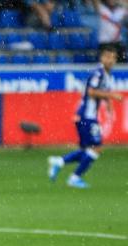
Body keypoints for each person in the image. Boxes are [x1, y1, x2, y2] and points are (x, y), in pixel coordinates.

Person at [48, 46, 122, 188]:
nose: (110, 60)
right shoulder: (98, 73)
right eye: (107, 57)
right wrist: (111, 96)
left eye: (113, 57)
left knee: (87, 150)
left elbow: (102, 92)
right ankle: (74, 177)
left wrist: (108, 103)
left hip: (86, 116)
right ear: (102, 58)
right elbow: (92, 91)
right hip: (86, 116)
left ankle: (60, 162)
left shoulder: (106, 74)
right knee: (97, 148)